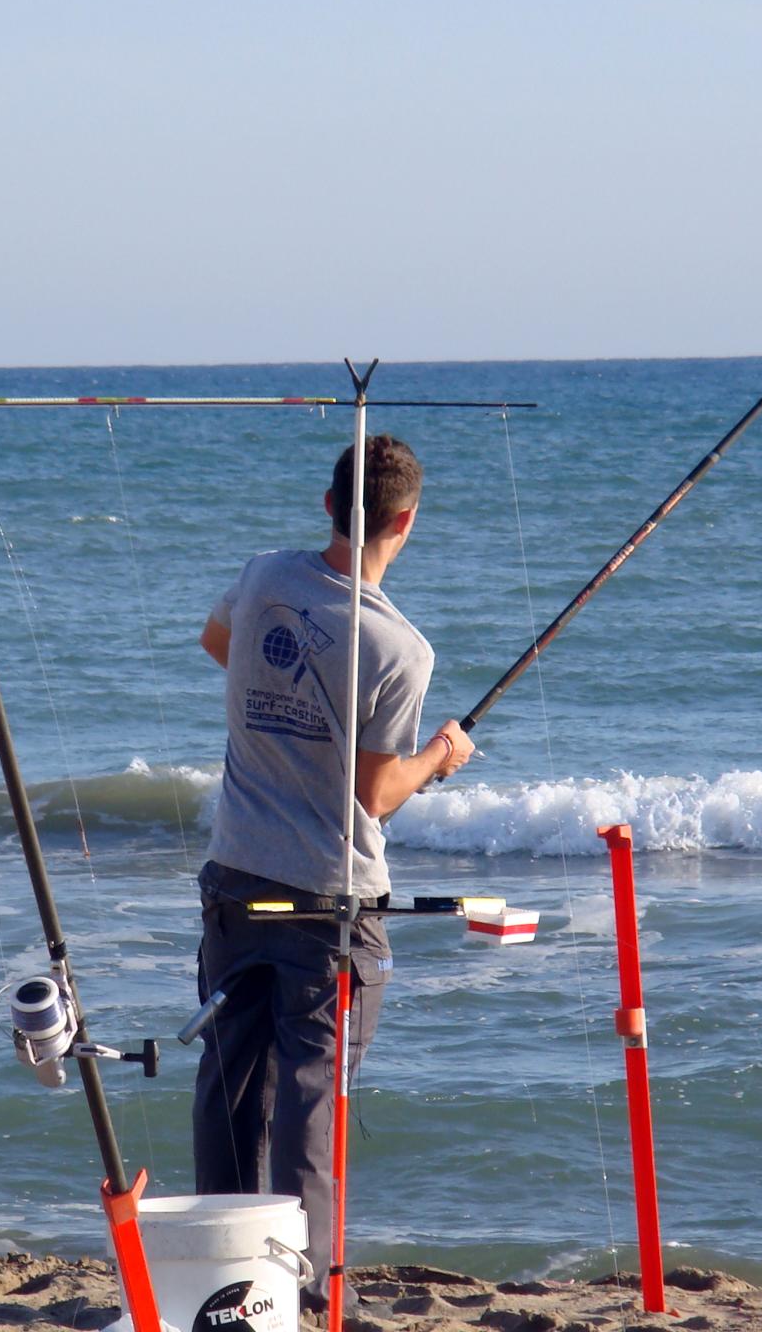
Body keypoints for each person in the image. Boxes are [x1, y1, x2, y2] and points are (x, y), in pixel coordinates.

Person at [192, 434, 477, 1315]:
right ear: (406, 521)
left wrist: (286, 719)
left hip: (236, 872)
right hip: (328, 902)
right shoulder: (401, 649)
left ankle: (222, 1274)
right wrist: (441, 753)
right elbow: (378, 791)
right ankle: (304, 1292)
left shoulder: (266, 574)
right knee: (309, 1100)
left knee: (231, 1085)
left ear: (329, 504)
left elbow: (218, 644)